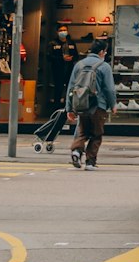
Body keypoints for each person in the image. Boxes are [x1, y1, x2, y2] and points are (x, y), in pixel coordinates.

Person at [66, 39, 117, 170]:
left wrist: (69, 108)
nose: (105, 54)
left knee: (82, 131)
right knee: (96, 134)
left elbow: (71, 87)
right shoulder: (104, 66)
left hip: (81, 104)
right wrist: (113, 104)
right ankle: (90, 162)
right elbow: (109, 89)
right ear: (101, 52)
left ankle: (77, 151)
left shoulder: (79, 65)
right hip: (98, 105)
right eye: (105, 52)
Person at [50, 27, 80, 111]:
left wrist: (72, 58)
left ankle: (68, 108)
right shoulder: (53, 43)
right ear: (57, 32)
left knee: (69, 89)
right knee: (58, 89)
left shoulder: (71, 43)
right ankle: (56, 109)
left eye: (64, 30)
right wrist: (61, 58)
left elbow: (76, 55)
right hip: (58, 69)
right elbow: (49, 56)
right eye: (60, 30)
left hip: (69, 69)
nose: (63, 32)